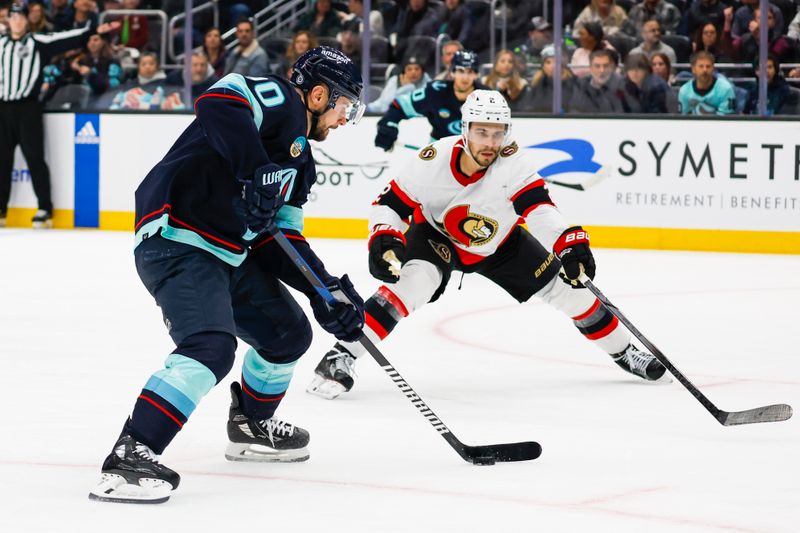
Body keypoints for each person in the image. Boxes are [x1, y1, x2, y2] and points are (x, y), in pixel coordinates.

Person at [88, 46, 367, 504]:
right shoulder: (279, 97)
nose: (343, 120)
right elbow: (218, 101)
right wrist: (256, 170)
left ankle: (251, 424)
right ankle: (130, 453)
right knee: (211, 346)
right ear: (318, 95)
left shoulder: (303, 165)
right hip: (176, 237)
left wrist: (325, 291)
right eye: (345, 107)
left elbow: (283, 240)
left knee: (287, 333)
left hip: (226, 254)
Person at [307, 89, 667, 400]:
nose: (491, 143)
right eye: (482, 132)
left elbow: (539, 209)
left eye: (498, 134)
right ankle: (344, 355)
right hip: (436, 237)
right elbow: (391, 205)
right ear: (465, 131)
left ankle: (624, 352)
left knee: (570, 291)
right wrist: (385, 237)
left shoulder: (514, 163)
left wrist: (567, 243)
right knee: (412, 284)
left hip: (501, 244)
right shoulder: (432, 160)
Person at [0, 4, 118, 229]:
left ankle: (44, 207)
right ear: (8, 20)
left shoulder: (37, 42)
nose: (16, 21)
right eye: (12, 17)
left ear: (27, 21)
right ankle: (1, 209)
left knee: (35, 158)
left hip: (28, 108)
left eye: (20, 17)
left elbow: (68, 38)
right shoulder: (1, 43)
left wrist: (93, 30)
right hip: (2, 108)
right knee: (1, 160)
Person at [375, 49, 486, 151]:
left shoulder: (488, 97)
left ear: (477, 74)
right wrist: (389, 124)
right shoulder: (435, 92)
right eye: (460, 71)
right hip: (439, 152)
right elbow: (399, 106)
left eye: (470, 71)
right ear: (452, 72)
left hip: (476, 153)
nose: (465, 77)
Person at [678, 50, 736, 115]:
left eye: (708, 66)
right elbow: (684, 119)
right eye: (701, 66)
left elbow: (727, 119)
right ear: (693, 69)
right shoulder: (684, 91)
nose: (705, 70)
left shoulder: (725, 89)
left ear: (713, 69)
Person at [569, 49, 626, 114]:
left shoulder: (622, 84)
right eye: (597, 66)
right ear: (590, 68)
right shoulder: (581, 85)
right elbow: (575, 110)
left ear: (612, 68)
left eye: (606, 66)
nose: (602, 70)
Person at [524, 44, 575, 112]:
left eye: (556, 62)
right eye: (548, 62)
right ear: (543, 66)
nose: (552, 66)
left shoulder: (572, 84)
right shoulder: (536, 84)